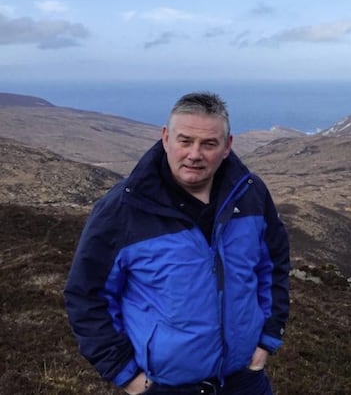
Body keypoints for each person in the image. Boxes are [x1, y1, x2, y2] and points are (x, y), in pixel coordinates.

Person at [64, 93, 290, 394]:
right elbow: (86, 295)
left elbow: (273, 267)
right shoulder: (123, 208)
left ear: (227, 147)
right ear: (165, 138)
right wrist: (128, 376)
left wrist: (266, 339)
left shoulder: (251, 194)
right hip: (165, 387)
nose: (195, 154)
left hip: (244, 379)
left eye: (209, 143)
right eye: (185, 141)